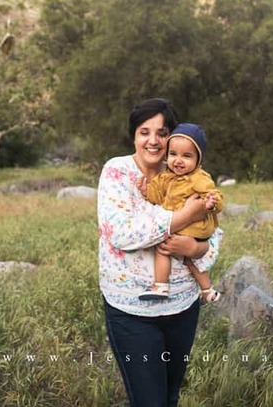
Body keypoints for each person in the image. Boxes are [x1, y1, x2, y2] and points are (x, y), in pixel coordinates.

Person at [98, 98, 223, 407]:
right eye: (144, 132)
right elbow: (121, 233)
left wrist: (196, 247)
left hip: (182, 307)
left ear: (174, 136)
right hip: (133, 311)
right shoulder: (118, 172)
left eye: (162, 132)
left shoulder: (189, 172)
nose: (153, 140)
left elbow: (214, 229)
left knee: (169, 396)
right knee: (149, 401)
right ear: (134, 136)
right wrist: (182, 217)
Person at [137, 122, 224, 304]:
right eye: (173, 154)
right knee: (190, 261)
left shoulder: (198, 178)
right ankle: (207, 291)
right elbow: (158, 195)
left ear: (198, 159)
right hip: (181, 224)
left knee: (163, 249)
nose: (178, 160)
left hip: (194, 225)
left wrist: (211, 203)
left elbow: (214, 195)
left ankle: (160, 285)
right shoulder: (165, 177)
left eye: (186, 156)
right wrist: (147, 191)